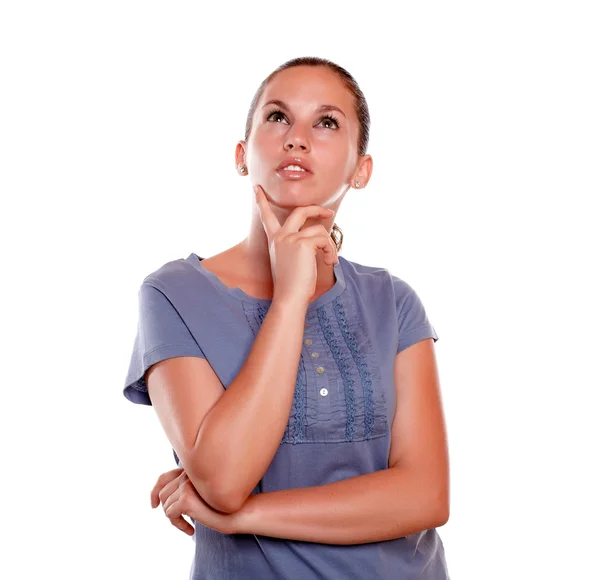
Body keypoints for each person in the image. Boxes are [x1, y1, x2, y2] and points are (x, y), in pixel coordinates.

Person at [123, 56, 450, 579]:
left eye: (326, 123)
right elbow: (225, 478)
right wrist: (291, 297)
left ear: (360, 170)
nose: (297, 138)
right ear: (240, 155)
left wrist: (244, 516)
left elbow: (425, 495)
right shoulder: (173, 294)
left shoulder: (394, 301)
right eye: (277, 117)